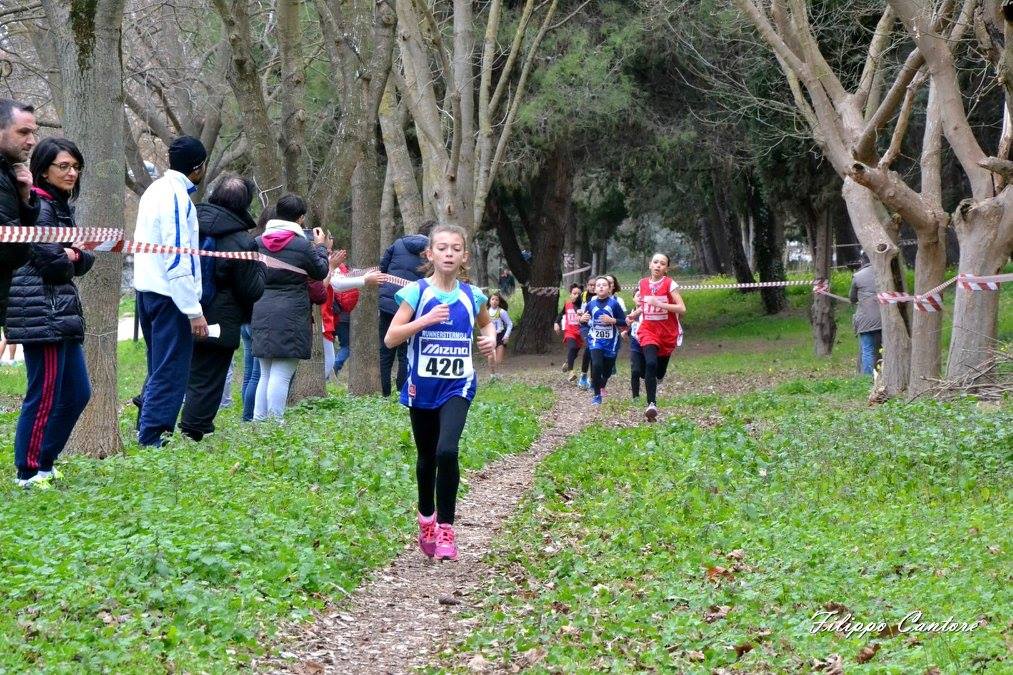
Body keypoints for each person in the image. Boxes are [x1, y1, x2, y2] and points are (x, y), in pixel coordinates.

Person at [383, 223, 496, 562]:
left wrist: (490, 339)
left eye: (455, 249)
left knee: (447, 451)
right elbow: (391, 337)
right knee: (427, 457)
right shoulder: (416, 293)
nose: (449, 254)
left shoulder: (472, 295)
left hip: (458, 385)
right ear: (430, 254)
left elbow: (486, 323)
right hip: (421, 386)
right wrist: (425, 320)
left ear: (465, 257)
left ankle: (446, 528)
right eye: (442, 248)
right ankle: (426, 518)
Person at [7, 137, 94, 487]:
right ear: (44, 170)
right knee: (43, 394)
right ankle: (28, 472)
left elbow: (85, 258)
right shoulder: (40, 206)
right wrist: (72, 254)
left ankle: (44, 462)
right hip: (40, 313)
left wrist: (74, 254)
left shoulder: (60, 207)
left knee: (77, 392)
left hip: (61, 313)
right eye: (64, 166)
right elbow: (53, 263)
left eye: (76, 167)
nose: (71, 173)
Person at [133, 136, 208, 447]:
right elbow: (177, 255)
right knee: (171, 369)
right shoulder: (176, 196)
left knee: (158, 366)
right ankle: (153, 436)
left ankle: (144, 425)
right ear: (198, 167)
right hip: (169, 296)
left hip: (147, 291)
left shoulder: (154, 190)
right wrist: (193, 309)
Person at [178, 174, 265, 441]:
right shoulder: (242, 242)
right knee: (208, 378)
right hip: (220, 318)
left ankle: (149, 425)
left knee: (171, 370)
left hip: (180, 309)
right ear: (245, 204)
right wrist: (261, 268)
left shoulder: (188, 224)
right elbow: (252, 289)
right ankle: (194, 431)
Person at [250, 194, 329, 420]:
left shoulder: (257, 243)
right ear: (300, 218)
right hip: (292, 313)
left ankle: (259, 422)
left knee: (265, 373)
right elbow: (321, 271)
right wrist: (321, 248)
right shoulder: (302, 245)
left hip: (261, 308)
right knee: (282, 374)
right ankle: (276, 424)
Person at [378, 221, 433, 396]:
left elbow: (382, 268)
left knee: (385, 350)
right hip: (410, 304)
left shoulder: (398, 243)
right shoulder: (432, 252)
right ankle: (402, 391)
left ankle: (384, 393)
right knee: (404, 352)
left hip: (387, 303)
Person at [0, 99, 39, 328]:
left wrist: (24, 199)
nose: (31, 141)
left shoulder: (8, 174)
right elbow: (14, 251)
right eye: (23, 132)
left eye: (33, 132)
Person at [633, 253, 686, 422]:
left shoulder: (670, 284)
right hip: (648, 330)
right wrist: (634, 312)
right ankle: (652, 404)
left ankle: (658, 377)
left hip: (667, 333)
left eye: (662, 263)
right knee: (650, 363)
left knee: (659, 371)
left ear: (666, 269)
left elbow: (682, 309)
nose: (658, 265)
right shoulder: (642, 283)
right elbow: (644, 305)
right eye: (655, 262)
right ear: (650, 264)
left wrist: (660, 304)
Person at [240, 206, 272, 421]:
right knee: (257, 374)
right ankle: (250, 417)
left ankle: (246, 415)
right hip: (259, 314)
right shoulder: (267, 244)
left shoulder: (250, 240)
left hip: (245, 313)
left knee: (249, 371)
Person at [579, 276, 626, 406]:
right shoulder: (591, 304)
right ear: (594, 289)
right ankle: (597, 395)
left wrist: (613, 320)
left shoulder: (614, 304)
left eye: (604, 285)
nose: (600, 287)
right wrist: (582, 320)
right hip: (595, 340)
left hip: (611, 342)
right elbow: (584, 322)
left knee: (607, 371)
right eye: (598, 285)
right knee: (597, 365)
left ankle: (602, 383)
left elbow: (624, 322)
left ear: (609, 288)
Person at [322, 249, 358, 380]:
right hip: (342, 316)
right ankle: (334, 367)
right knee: (346, 346)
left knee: (330, 345)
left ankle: (330, 369)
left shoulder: (326, 268)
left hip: (331, 315)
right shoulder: (344, 270)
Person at [849, 253, 883, 375]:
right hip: (884, 318)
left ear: (862, 261)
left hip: (865, 320)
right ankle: (884, 374)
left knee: (867, 349)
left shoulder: (857, 276)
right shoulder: (883, 273)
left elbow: (852, 298)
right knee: (885, 348)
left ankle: (868, 378)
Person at [553, 284, 584, 382]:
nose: (576, 295)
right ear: (570, 294)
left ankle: (567, 362)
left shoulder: (584, 305)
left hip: (581, 333)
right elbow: (561, 314)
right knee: (572, 347)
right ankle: (571, 372)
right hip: (570, 331)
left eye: (579, 294)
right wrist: (556, 323)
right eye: (574, 293)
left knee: (574, 353)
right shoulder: (567, 304)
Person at [576, 278, 595, 390]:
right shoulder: (582, 296)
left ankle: (593, 379)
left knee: (594, 350)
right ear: (587, 285)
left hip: (597, 327)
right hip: (585, 327)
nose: (593, 287)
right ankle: (583, 375)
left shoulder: (601, 297)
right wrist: (579, 314)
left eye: (595, 285)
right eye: (590, 285)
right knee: (589, 346)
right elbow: (575, 306)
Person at [487, 292, 512, 377]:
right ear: (489, 301)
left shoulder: (502, 312)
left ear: (499, 302)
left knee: (498, 360)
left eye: (496, 300)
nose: (494, 301)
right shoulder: (486, 312)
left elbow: (510, 324)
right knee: (490, 357)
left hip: (500, 337)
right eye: (492, 299)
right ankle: (492, 375)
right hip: (490, 337)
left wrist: (506, 336)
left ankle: (496, 373)